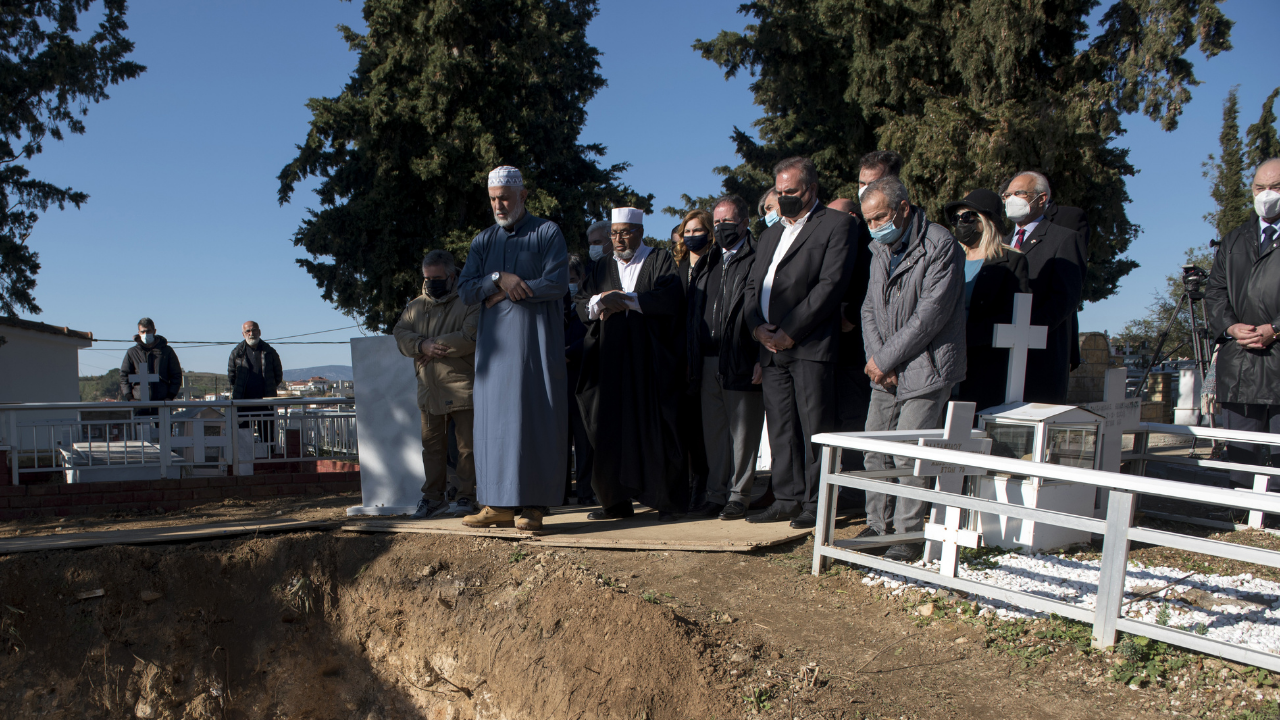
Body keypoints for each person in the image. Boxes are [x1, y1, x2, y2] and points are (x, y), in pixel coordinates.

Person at [742, 156, 855, 529]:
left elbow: (830, 285)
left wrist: (791, 330)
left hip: (808, 346)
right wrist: (757, 327)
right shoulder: (770, 233)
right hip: (770, 347)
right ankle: (787, 497)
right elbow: (754, 286)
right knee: (781, 428)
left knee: (814, 428)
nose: (784, 198)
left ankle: (816, 501)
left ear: (811, 190)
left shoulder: (836, 225)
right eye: (780, 192)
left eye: (791, 192)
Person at [455, 166, 570, 531]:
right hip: (494, 353)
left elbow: (557, 283)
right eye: (492, 198)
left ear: (523, 196)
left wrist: (504, 291)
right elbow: (466, 288)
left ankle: (533, 506)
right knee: (493, 425)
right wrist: (497, 279)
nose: (498, 204)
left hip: (535, 348)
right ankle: (497, 504)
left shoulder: (547, 232)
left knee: (534, 420)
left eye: (504, 197)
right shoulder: (483, 241)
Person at [859, 177, 965, 562]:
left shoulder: (940, 245)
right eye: (869, 220)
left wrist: (886, 359)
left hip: (926, 366)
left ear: (904, 208)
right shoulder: (880, 249)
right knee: (874, 448)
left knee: (908, 455)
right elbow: (869, 308)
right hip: (883, 371)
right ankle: (876, 525)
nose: (875, 227)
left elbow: (929, 316)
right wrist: (877, 362)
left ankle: (908, 533)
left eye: (880, 217)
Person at [576, 207, 687, 520]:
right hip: (609, 360)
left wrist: (628, 300)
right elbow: (582, 305)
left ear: (639, 231)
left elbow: (671, 299)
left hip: (648, 361)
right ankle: (615, 502)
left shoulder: (660, 259)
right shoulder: (600, 267)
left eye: (625, 232)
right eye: (614, 233)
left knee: (656, 426)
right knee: (608, 428)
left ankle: (665, 501)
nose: (618, 239)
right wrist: (600, 301)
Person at [687, 194, 765, 520]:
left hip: (741, 357)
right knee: (715, 433)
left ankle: (739, 495)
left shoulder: (758, 258)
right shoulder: (709, 261)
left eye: (727, 222)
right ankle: (716, 494)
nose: (720, 228)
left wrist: (762, 357)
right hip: (707, 360)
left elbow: (763, 309)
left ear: (745, 223)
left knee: (743, 435)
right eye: (716, 222)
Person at [1206, 157, 1280, 496]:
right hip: (1240, 366)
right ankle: (1239, 516)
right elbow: (1215, 293)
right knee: (1241, 455)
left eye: (1275, 187)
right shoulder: (1235, 240)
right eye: (1260, 188)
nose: (1267, 195)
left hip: (1277, 358)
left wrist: (1275, 328)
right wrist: (1232, 327)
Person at [394, 249, 480, 520]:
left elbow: (469, 336)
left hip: (463, 386)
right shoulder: (415, 306)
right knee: (432, 449)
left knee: (467, 448)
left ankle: (467, 496)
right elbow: (400, 333)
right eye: (427, 278)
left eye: (438, 277)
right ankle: (433, 499)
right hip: (429, 389)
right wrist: (421, 344)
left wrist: (430, 346)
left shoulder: (470, 301)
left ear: (452, 276)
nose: (431, 282)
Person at [1001, 171, 1085, 404]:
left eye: (1019, 193)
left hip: (1041, 353)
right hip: (1001, 352)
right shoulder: (1001, 243)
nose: (1011, 199)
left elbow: (1065, 297)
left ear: (1041, 199)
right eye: (1007, 195)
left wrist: (1029, 332)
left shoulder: (1064, 239)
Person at [946, 189, 1031, 412]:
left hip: (983, 361)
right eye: (956, 219)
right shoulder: (949, 260)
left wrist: (966, 336)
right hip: (945, 359)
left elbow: (1012, 315)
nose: (960, 224)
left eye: (967, 217)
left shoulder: (1011, 261)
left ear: (987, 220)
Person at [825, 197, 874, 471]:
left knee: (854, 415)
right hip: (829, 348)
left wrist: (851, 315)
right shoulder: (831, 246)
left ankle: (855, 481)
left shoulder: (868, 249)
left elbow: (872, 290)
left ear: (854, 217)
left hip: (856, 350)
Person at [675, 210, 714, 510]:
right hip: (679, 359)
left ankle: (705, 485)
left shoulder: (714, 265)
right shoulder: (675, 268)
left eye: (697, 230)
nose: (691, 236)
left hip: (706, 356)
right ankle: (687, 485)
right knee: (684, 428)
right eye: (687, 231)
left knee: (704, 429)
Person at [564, 253, 594, 505]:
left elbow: (594, 336)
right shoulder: (554, 305)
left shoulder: (589, 305)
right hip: (558, 384)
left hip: (584, 382)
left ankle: (586, 492)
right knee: (559, 444)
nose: (568, 285)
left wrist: (569, 353)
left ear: (581, 278)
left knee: (584, 444)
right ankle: (559, 494)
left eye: (572, 279)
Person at [227, 320, 284, 449]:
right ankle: (245, 468)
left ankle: (268, 465)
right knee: (244, 440)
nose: (251, 333)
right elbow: (232, 377)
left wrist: (269, 389)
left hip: (265, 402)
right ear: (243, 334)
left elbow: (277, 376)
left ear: (260, 332)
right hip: (244, 403)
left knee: (267, 440)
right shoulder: (236, 353)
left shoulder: (270, 352)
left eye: (254, 330)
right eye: (248, 331)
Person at [119, 317, 182, 404]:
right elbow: (124, 376)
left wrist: (170, 396)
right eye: (142, 332)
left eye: (148, 331)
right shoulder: (132, 352)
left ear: (154, 331)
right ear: (138, 333)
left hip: (162, 402)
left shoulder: (166, 351)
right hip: (138, 402)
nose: (145, 334)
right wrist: (129, 397)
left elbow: (176, 375)